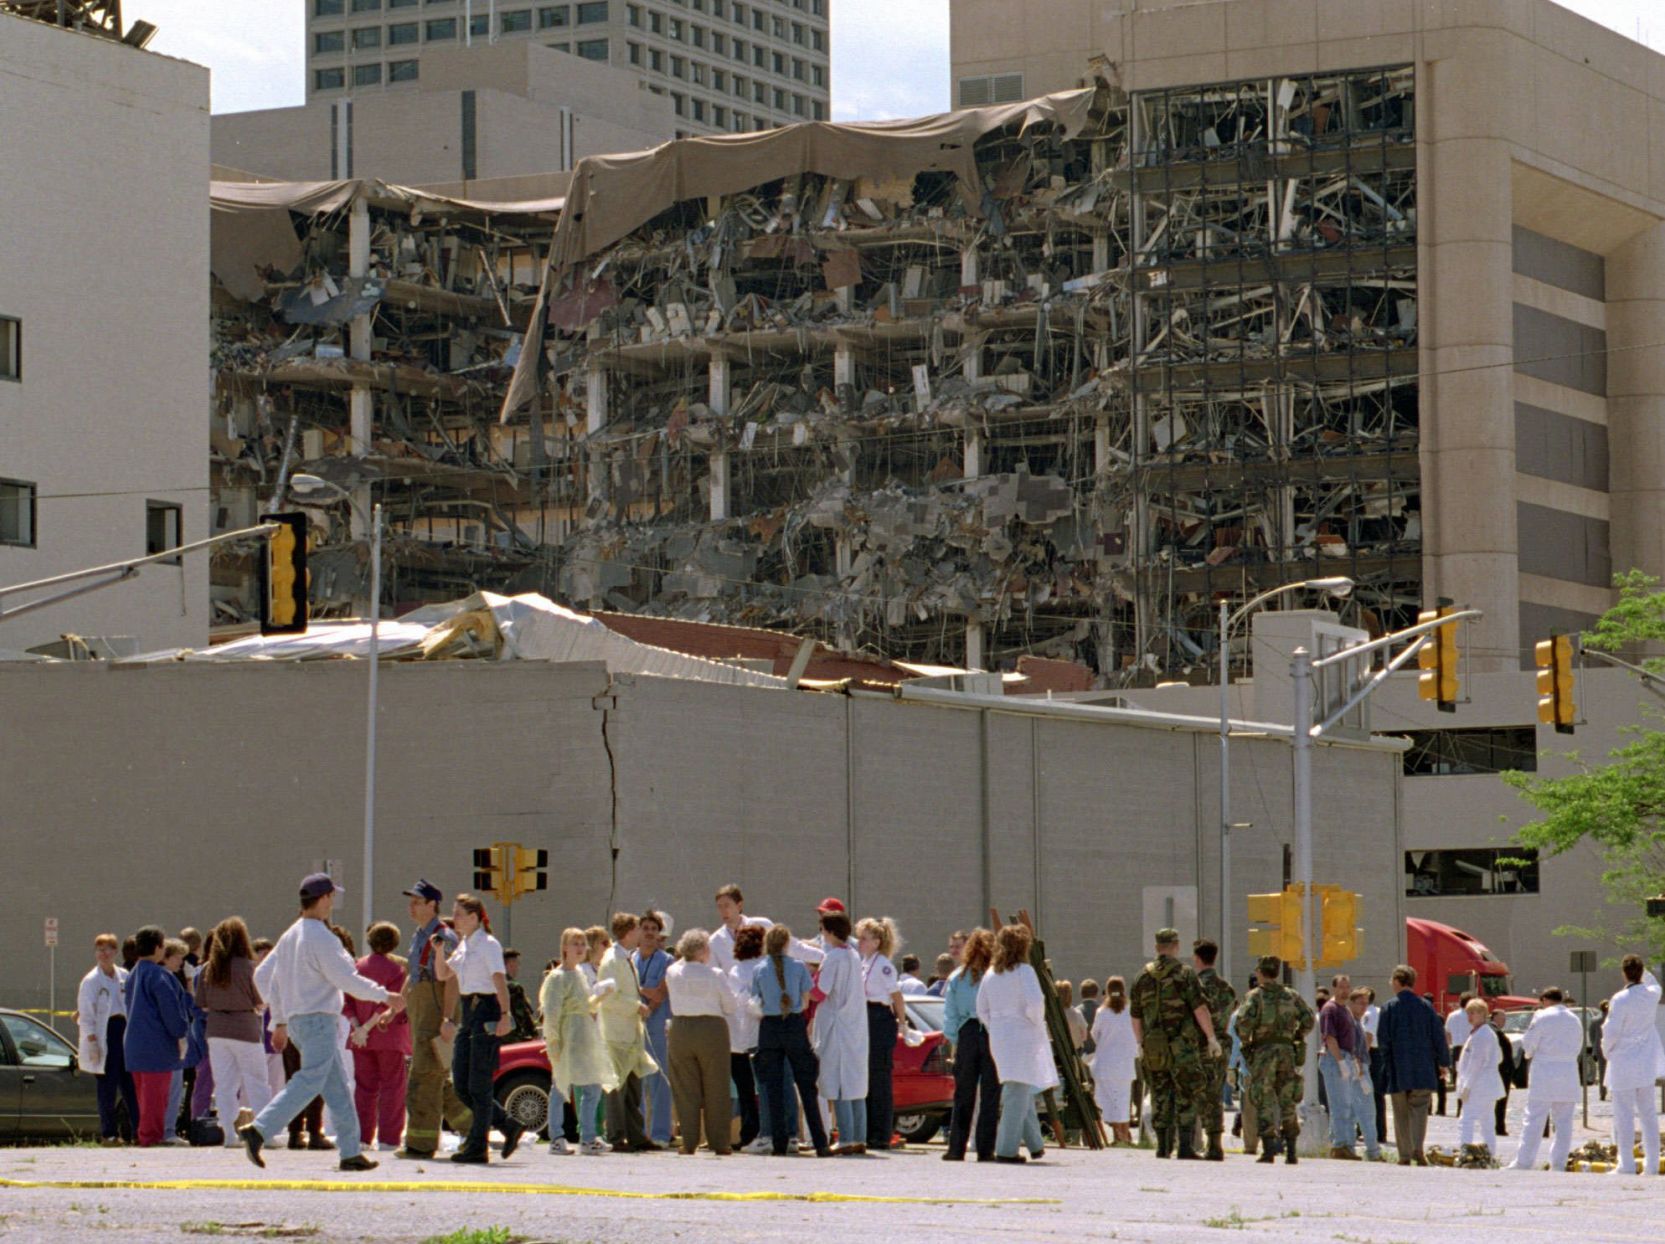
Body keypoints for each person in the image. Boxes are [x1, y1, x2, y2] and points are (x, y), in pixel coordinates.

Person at [238, 874, 406, 1171]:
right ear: (325, 898)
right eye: (332, 897)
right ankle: (259, 1129)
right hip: (319, 1020)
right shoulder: (322, 937)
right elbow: (346, 978)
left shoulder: (291, 935)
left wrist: (278, 1018)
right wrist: (385, 996)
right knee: (311, 1079)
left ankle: (350, 1152)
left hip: (299, 1021)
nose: (333, 903)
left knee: (338, 1087)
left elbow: (264, 977)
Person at [431, 893, 524, 1165]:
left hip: (486, 1008)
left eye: (460, 914)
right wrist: (438, 951)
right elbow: (443, 974)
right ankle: (508, 1125)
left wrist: (505, 1014)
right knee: (461, 1083)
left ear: (474, 917)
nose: (455, 918)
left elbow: (499, 980)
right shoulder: (465, 945)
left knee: (479, 1084)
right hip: (469, 1011)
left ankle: (477, 1146)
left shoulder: (488, 944)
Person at [396, 879, 471, 1160]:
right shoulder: (419, 935)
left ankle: (421, 1145)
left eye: (417, 902)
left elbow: (450, 982)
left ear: (432, 905)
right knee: (436, 1079)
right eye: (411, 901)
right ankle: (475, 1127)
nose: (411, 907)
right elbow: (413, 976)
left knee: (424, 1080)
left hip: (434, 1013)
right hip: (420, 1010)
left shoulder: (444, 936)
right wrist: (394, 1007)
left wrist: (448, 1018)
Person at [1130, 928, 1220, 1160]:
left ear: (1157, 946)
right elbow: (1200, 1008)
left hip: (1154, 1047)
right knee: (1186, 1092)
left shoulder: (1142, 976)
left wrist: (1140, 1043)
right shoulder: (1185, 974)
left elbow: (1136, 1015)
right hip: (1183, 1046)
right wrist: (1211, 1038)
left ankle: (1162, 1146)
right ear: (1176, 946)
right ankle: (1185, 1146)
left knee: (1160, 1092)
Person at [750, 924, 834, 1158]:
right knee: (807, 1087)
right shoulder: (798, 967)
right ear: (787, 944)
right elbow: (806, 1001)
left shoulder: (759, 969)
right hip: (794, 1025)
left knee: (773, 1087)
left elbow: (755, 1000)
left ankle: (779, 1143)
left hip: (770, 1027)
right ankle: (820, 1142)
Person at [976, 923, 1055, 1165]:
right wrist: (1033, 1022)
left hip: (999, 1035)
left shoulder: (990, 974)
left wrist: (996, 1027)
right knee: (1017, 1091)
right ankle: (1007, 1149)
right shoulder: (1025, 972)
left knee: (1018, 1087)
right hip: (1022, 1033)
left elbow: (982, 1009)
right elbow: (1035, 1004)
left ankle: (1035, 1143)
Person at [194, 917, 270, 1147]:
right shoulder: (249, 967)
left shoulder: (209, 968)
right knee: (257, 1081)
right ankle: (264, 1130)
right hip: (245, 1027)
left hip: (216, 1029)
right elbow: (260, 1002)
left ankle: (228, 1132)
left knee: (225, 1084)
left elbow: (202, 1003)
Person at [542, 927, 618, 1155]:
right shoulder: (557, 977)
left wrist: (602, 995)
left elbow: (586, 1006)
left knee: (593, 1086)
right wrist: (554, 1042)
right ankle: (556, 1136)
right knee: (561, 1085)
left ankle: (588, 1136)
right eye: (575, 943)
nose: (580, 948)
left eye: (582, 944)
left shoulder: (579, 975)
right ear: (564, 947)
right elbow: (552, 1012)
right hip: (569, 1036)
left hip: (584, 1035)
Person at [1235, 955, 1314, 1164]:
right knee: (1287, 1100)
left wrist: (1247, 1041)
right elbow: (1308, 1019)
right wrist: (1296, 1036)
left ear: (1261, 972)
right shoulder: (1291, 995)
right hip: (1287, 1052)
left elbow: (1243, 1024)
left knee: (1264, 1099)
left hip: (1264, 1052)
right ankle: (1291, 1151)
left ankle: (1269, 1149)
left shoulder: (1255, 996)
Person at [664, 928, 736, 1155]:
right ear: (704, 950)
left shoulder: (672, 971)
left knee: (685, 1088)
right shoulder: (715, 974)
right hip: (711, 1028)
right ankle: (719, 1141)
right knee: (716, 1086)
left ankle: (689, 1141)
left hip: (681, 1028)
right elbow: (730, 1006)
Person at [596, 912, 660, 1153]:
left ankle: (635, 1134)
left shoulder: (625, 958)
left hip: (629, 1033)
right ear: (628, 932)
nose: (640, 934)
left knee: (632, 1086)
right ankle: (616, 1135)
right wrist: (636, 1006)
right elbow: (609, 998)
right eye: (636, 930)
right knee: (616, 1087)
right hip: (616, 1033)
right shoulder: (612, 960)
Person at [1505, 986, 1584, 1173]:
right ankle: (1558, 1163)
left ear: (1545, 1000)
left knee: (1534, 1119)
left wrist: (1531, 1053)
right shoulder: (1575, 1019)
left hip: (1545, 1072)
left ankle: (1524, 1162)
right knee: (1564, 1122)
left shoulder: (1541, 1016)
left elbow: (1528, 1044)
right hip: (1568, 1072)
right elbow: (1578, 1046)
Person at [345, 921, 408, 1152]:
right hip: (388, 1036)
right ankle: (389, 1139)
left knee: (364, 1088)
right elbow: (394, 1002)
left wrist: (358, 1028)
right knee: (393, 1087)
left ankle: (363, 1137)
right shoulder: (397, 971)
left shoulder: (356, 967)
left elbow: (347, 1001)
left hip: (360, 1037)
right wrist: (369, 1026)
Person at [1376, 963, 1449, 1166]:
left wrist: (1386, 1065)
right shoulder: (1426, 1007)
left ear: (1398, 981)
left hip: (1398, 1068)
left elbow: (1383, 1040)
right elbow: (1438, 1037)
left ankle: (1404, 1154)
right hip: (1423, 1067)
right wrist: (1443, 1062)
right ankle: (1418, 1148)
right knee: (1419, 1109)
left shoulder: (1389, 1007)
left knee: (1400, 1113)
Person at [1601, 954, 1665, 1176]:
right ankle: (1652, 1164)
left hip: (1623, 1059)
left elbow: (1611, 1030)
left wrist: (1606, 1051)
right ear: (1641, 972)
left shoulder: (1620, 999)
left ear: (1623, 973)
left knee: (1624, 1114)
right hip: (1645, 1059)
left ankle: (1626, 1163)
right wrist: (1644, 971)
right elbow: (1655, 984)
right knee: (1648, 1114)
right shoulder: (1651, 995)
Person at [813, 911, 869, 1154]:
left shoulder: (834, 957)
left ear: (831, 932)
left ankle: (846, 1137)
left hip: (837, 1026)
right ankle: (859, 1137)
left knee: (839, 1083)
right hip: (854, 1025)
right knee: (855, 1083)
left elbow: (821, 991)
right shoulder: (854, 955)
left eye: (824, 931)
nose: (822, 936)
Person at [942, 928, 999, 1161]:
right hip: (991, 1032)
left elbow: (950, 1014)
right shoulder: (996, 976)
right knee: (990, 1093)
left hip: (966, 1031)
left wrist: (955, 1040)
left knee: (963, 1093)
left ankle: (956, 1148)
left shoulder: (957, 977)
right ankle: (986, 1149)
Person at [77, 932, 137, 1147]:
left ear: (115, 952)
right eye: (99, 950)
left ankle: (138, 1131)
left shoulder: (124, 976)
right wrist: (91, 1042)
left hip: (125, 1030)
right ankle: (109, 1134)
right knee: (107, 1085)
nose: (103, 954)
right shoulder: (91, 981)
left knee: (130, 1083)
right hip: (105, 1032)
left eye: (108, 949)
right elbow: (86, 1013)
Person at [856, 916, 907, 1151]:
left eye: (864, 939)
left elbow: (896, 995)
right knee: (866, 1076)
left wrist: (902, 1023)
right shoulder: (865, 962)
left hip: (879, 1018)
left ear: (877, 942)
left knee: (879, 1077)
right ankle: (867, 1130)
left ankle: (881, 1133)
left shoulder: (883, 965)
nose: (860, 943)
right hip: (865, 1016)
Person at [1192, 940, 1236, 1162]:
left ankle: (1192, 1141)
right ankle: (1215, 1144)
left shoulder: (1195, 986)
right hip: (1221, 1045)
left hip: (1200, 1045)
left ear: (1197, 958)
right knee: (1215, 1095)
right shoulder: (1226, 988)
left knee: (1194, 1094)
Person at [633, 909, 674, 1146]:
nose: (649, 933)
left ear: (659, 934)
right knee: (637, 1080)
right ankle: (639, 1131)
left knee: (659, 1079)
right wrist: (641, 991)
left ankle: (660, 1133)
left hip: (657, 1025)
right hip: (635, 1026)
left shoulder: (667, 960)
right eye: (645, 928)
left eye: (653, 929)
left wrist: (638, 989)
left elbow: (659, 993)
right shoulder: (631, 958)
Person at [727, 924, 769, 1153]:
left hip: (736, 1036)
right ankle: (764, 1130)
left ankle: (747, 1132)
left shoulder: (735, 971)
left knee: (744, 1089)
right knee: (763, 1087)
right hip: (760, 1033)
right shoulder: (763, 968)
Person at [1089, 974, 1138, 1147]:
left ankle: (1119, 1136)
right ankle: (1124, 1135)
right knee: (1124, 1101)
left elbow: (1094, 1035)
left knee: (1110, 1101)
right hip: (1125, 1063)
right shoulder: (1131, 1010)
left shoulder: (1102, 1012)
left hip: (1106, 1063)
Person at [1318, 972, 1361, 1161]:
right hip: (1335, 1059)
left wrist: (1352, 1061)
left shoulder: (1345, 1009)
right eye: (1341, 987)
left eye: (1347, 986)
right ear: (1334, 988)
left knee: (1347, 1105)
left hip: (1345, 1057)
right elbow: (1330, 1037)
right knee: (1340, 1105)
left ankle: (1343, 1143)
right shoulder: (1330, 1009)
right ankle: (1340, 1145)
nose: (1345, 990)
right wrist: (1340, 1062)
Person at [1453, 997, 1503, 1158]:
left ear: (1482, 1014)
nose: (1469, 1017)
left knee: (1466, 1120)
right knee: (1487, 1122)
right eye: (1468, 1013)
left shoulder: (1481, 1035)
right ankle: (1490, 1154)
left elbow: (1476, 1063)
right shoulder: (1485, 1033)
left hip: (1477, 1085)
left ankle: (1465, 1152)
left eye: (1473, 1013)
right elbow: (1499, 1057)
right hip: (1487, 1085)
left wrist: (1466, 1086)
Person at [1343, 988, 1382, 1161]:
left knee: (1353, 1110)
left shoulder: (1358, 1021)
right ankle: (1372, 1151)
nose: (1364, 1007)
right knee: (1366, 1109)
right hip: (1357, 1067)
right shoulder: (1351, 1022)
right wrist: (1358, 1064)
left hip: (1359, 1065)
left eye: (1366, 1003)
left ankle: (1349, 1146)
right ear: (1351, 1004)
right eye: (1360, 1003)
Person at [709, 884, 771, 972]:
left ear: (739, 905)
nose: (723, 911)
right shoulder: (714, 941)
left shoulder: (763, 925)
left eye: (727, 905)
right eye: (719, 906)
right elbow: (715, 974)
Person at [1360, 986, 1387, 1143]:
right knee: (1378, 1095)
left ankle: (1375, 1131)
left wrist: (1362, 1059)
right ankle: (1380, 1130)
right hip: (1378, 1054)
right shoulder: (1378, 1011)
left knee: (1369, 1094)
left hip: (1371, 1054)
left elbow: (1368, 1036)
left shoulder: (1369, 1014)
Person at [1444, 991, 1475, 1116]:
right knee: (1470, 1077)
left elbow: (1447, 1033)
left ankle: (1459, 1107)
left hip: (1457, 1049)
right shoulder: (1471, 1016)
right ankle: (1468, 1105)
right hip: (1470, 1049)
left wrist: (1450, 1045)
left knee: (1459, 1078)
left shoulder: (1452, 1015)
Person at [502, 951, 538, 1043]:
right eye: (517, 963)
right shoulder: (514, 987)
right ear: (511, 964)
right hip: (513, 1037)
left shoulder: (493, 985)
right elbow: (523, 1014)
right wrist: (534, 1033)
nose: (518, 967)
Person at [1490, 1007, 1514, 1137]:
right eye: (1502, 1018)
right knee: (1500, 1101)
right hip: (1501, 1070)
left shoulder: (1495, 1031)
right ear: (1494, 1017)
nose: (1504, 1021)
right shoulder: (1494, 1031)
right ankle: (1499, 1126)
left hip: (1502, 1070)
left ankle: (1499, 1125)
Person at [1078, 978, 1100, 1057]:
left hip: (1082, 1056)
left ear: (1081, 993)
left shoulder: (1077, 1011)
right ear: (1096, 993)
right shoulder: (1102, 1011)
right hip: (1099, 1055)